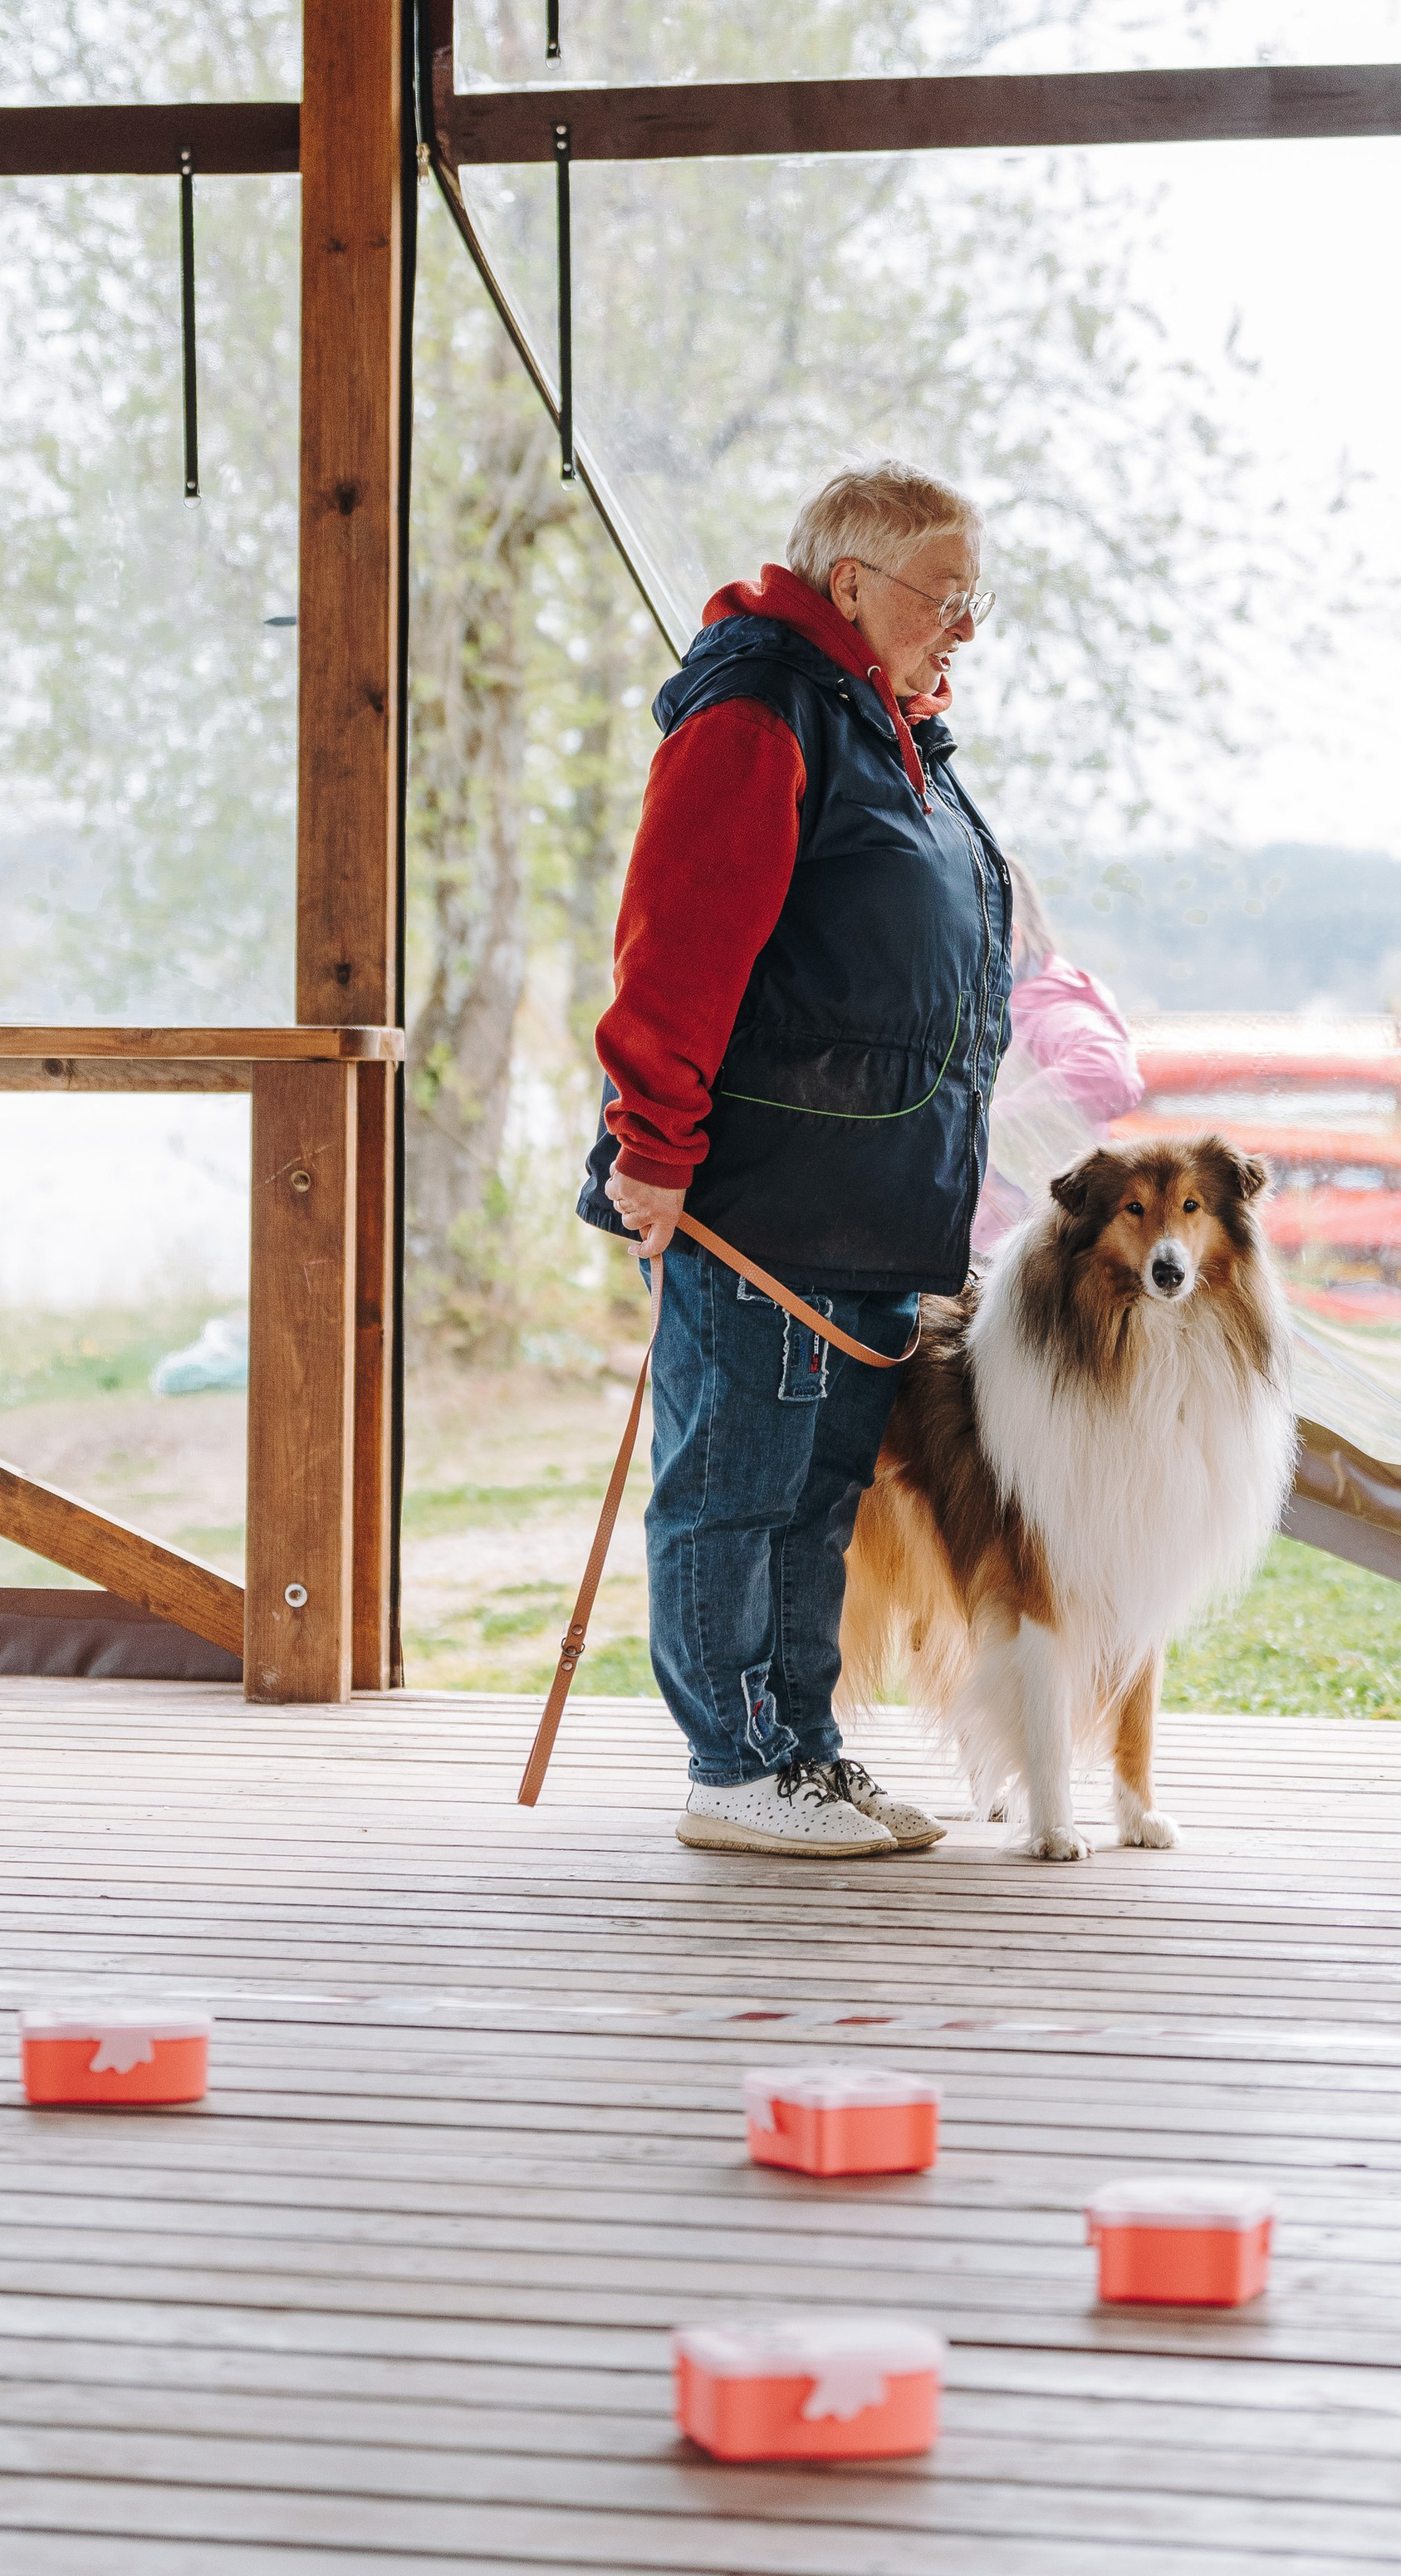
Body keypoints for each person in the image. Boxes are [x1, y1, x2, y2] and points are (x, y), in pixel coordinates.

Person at [576, 462, 1012, 1857]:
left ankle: (800, 1751)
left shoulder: (892, 734)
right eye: (943, 598)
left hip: (864, 1207)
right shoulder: (760, 716)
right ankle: (735, 1762)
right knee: (738, 1485)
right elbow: (679, 947)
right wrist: (652, 1144)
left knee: (816, 1502)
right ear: (849, 587)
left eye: (971, 602)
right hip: (763, 1196)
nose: (960, 628)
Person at [971, 862, 1147, 1255]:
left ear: (1008, 941)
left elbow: (1109, 1072)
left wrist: (984, 1122)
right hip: (1004, 1238)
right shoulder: (1001, 1004)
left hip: (1026, 1249)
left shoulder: (1048, 1006)